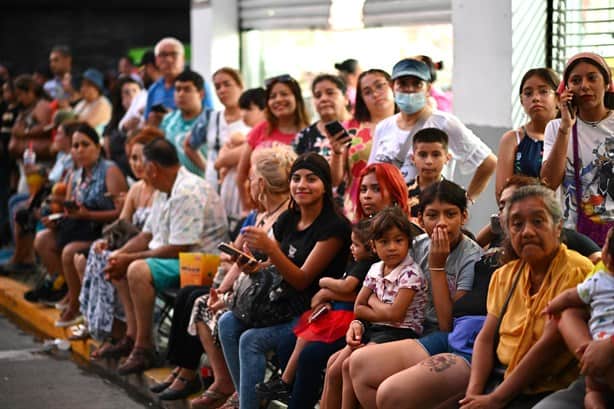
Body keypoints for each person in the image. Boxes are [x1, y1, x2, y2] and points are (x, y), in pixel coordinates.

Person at [150, 145, 296, 405]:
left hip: (272, 300)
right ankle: (232, 386)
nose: (248, 183)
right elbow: (240, 260)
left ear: (260, 184)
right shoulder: (262, 215)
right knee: (206, 304)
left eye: (250, 178)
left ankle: (238, 391)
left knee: (206, 306)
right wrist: (223, 291)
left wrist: (232, 287)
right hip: (249, 293)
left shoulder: (286, 217)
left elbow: (277, 266)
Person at [218, 152, 351, 409]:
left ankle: (250, 404)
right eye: (296, 178)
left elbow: (302, 280)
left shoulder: (334, 227)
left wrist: (271, 249)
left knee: (251, 340)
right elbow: (272, 267)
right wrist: (252, 267)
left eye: (311, 179)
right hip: (278, 301)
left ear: (324, 186)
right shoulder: (289, 218)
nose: (302, 185)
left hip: (309, 310)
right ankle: (245, 399)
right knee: (227, 322)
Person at [284, 162, 408, 409]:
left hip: (378, 323)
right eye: (363, 190)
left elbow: (380, 296)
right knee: (289, 341)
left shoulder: (400, 239)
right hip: (351, 314)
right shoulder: (361, 232)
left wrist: (328, 291)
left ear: (394, 193)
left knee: (314, 356)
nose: (367, 196)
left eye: (375, 189)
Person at [104, 138, 228, 375]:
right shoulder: (164, 189)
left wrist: (129, 259)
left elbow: (177, 248)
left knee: (136, 269)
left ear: (153, 168)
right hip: (182, 259)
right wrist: (119, 254)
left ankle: (144, 348)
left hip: (204, 263)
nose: (142, 170)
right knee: (119, 264)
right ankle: (132, 337)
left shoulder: (187, 191)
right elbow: (148, 234)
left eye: (144, 164)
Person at [255, 219, 378, 401]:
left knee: (307, 344)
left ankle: (287, 383)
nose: (351, 248)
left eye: (356, 245)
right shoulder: (356, 261)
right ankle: (287, 383)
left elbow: (348, 287)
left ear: (370, 248)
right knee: (296, 339)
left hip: (349, 316)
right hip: (338, 310)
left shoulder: (364, 265)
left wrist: (325, 285)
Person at [320, 206, 427, 409]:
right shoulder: (375, 268)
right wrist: (377, 310)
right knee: (333, 366)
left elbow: (396, 315)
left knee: (347, 365)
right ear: (374, 245)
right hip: (377, 328)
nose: (392, 247)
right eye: (384, 242)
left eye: (398, 240)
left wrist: (373, 302)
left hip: (399, 334)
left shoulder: (410, 274)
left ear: (408, 242)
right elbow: (358, 308)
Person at [77, 127, 161, 355]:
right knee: (93, 255)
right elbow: (121, 225)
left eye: (142, 158)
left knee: (116, 263)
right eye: (133, 158)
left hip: (151, 251)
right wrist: (106, 241)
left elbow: (151, 236)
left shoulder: (162, 191)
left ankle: (130, 335)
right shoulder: (136, 189)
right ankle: (113, 331)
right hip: (131, 246)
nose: (136, 164)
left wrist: (120, 252)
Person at [34, 123, 128, 327]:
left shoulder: (110, 170)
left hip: (104, 231)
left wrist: (89, 214)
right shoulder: (76, 175)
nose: (79, 150)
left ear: (97, 146)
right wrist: (56, 219)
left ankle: (76, 304)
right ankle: (69, 289)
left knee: (70, 252)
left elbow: (122, 213)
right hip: (78, 228)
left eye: (85, 144)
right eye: (75, 146)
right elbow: (70, 209)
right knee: (42, 239)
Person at [368, 58, 497, 203]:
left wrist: (465, 202)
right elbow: (371, 173)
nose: (409, 89)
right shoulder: (384, 127)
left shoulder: (445, 123)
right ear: (392, 87)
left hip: (431, 217)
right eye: (403, 84)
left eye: (417, 84)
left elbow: (489, 162)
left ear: (428, 88)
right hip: (390, 215)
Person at [541, 52, 614, 246]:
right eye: (576, 80)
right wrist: (566, 127)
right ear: (567, 88)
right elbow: (548, 182)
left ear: (607, 84)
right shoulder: (556, 128)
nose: (584, 86)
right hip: (573, 236)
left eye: (592, 78)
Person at [543, 227, 614, 409]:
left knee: (593, 394)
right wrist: (591, 353)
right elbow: (571, 312)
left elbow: (569, 298)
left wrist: (608, 346)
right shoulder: (597, 275)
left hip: (598, 359)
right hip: (594, 362)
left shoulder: (596, 278)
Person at [185, 67, 251, 226]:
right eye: (217, 86)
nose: (222, 90)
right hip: (213, 188)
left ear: (240, 86)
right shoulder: (211, 117)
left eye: (227, 84)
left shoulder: (251, 117)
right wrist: (208, 167)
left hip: (241, 190)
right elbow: (189, 145)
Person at [236, 74, 310, 211]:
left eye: (284, 94)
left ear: (297, 98)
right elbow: (241, 174)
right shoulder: (261, 129)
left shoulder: (309, 135)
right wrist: (246, 208)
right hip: (259, 212)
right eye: (273, 96)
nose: (278, 100)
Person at [330, 69, 396, 219]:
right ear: (362, 99)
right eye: (367, 92)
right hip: (358, 211)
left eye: (380, 86)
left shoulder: (409, 125)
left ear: (393, 86)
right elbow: (335, 180)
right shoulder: (350, 128)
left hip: (401, 207)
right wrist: (337, 152)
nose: (375, 93)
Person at [495, 68, 560, 200]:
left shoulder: (569, 137)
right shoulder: (513, 139)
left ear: (558, 98)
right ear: (521, 101)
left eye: (543, 91)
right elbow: (502, 193)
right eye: (528, 93)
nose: (535, 98)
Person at [143, 37, 213, 121]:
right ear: (156, 60)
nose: (168, 59)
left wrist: (172, 118)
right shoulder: (154, 89)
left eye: (174, 54)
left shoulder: (199, 85)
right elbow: (146, 120)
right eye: (163, 55)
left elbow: (209, 119)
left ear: (183, 59)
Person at [160, 70, 208, 176]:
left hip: (205, 184)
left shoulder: (211, 120)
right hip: (175, 186)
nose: (181, 94)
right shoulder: (168, 120)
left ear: (201, 94)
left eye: (187, 90)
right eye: (177, 89)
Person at [294, 74, 351, 160]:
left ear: (346, 97)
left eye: (330, 93)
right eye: (318, 95)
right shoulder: (304, 137)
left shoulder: (363, 128)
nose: (323, 99)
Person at [103, 76, 143, 178]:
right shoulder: (115, 121)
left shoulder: (146, 116)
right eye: (126, 92)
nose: (131, 95)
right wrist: (124, 129)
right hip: (118, 170)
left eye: (134, 90)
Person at [406, 127, 451, 219]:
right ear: (413, 158)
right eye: (422, 155)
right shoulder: (402, 192)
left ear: (447, 158)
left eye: (436, 155)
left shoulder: (455, 194)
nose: (429, 161)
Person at [9, 74, 52, 160]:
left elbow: (46, 128)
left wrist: (24, 133)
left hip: (40, 159)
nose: (19, 99)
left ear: (30, 91)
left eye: (20, 94)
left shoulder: (42, 105)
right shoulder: (28, 107)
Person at [72, 68, 112, 135]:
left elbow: (87, 125)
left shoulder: (102, 103)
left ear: (97, 88)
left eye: (87, 85)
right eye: (83, 85)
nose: (83, 88)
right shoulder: (81, 103)